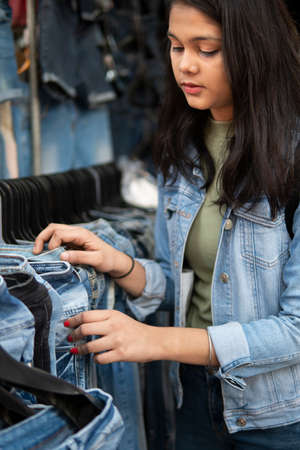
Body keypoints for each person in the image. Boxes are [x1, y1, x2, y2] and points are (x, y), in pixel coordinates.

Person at [33, 0, 300, 448]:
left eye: (207, 49)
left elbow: (295, 329)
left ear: (253, 48)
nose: (185, 66)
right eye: (176, 47)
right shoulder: (183, 149)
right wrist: (121, 265)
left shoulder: (291, 159)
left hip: (280, 414)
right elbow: (187, 286)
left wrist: (156, 341)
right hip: (195, 397)